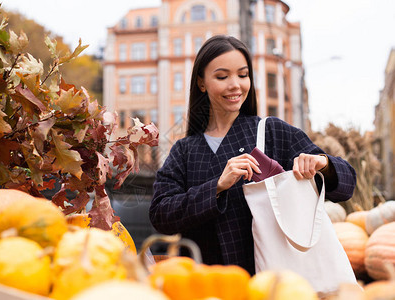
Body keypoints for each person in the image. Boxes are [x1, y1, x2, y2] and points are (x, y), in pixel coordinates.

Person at [149, 35, 356, 275]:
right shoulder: (184, 150)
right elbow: (160, 215)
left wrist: (324, 164)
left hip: (271, 281)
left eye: (243, 74)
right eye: (222, 76)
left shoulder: (273, 132)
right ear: (201, 83)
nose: (235, 84)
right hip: (206, 285)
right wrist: (216, 186)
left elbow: (347, 184)